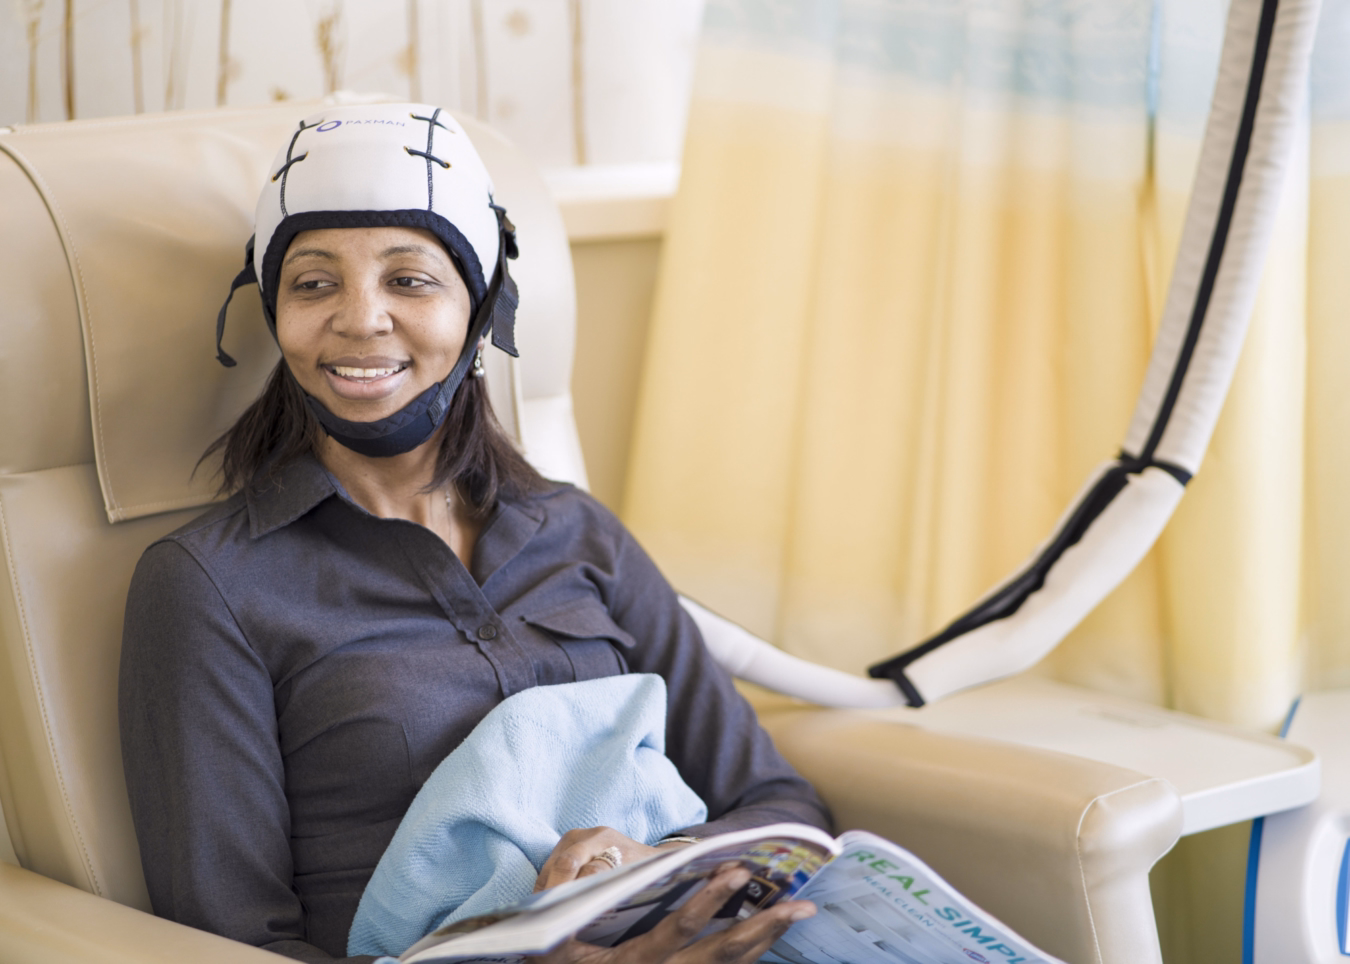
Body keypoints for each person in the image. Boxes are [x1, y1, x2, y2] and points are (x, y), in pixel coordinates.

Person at [118, 103, 828, 964]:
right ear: (274, 313)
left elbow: (781, 804)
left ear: (482, 310)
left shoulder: (576, 531)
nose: (359, 318)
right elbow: (230, 942)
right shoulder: (209, 584)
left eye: (408, 279)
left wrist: (664, 866)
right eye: (313, 283)